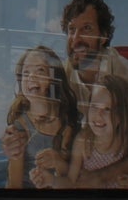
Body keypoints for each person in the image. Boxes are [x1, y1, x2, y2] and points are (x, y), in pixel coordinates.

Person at [2, 0, 128, 188]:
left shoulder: (122, 73)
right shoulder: (65, 74)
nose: (76, 39)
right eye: (71, 30)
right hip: (80, 171)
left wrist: (102, 178)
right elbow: (35, 105)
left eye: (86, 28)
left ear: (103, 36)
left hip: (116, 176)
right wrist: (12, 139)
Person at [35, 74, 128, 189]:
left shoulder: (126, 143)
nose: (98, 115)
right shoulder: (82, 141)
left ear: (121, 115)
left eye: (107, 109)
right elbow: (71, 182)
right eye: (94, 107)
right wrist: (51, 181)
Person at [5, 46, 80, 189]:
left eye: (40, 70)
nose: (31, 77)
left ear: (53, 78)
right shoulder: (20, 127)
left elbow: (73, 178)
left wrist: (58, 163)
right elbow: (14, 184)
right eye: (26, 73)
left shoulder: (67, 122)